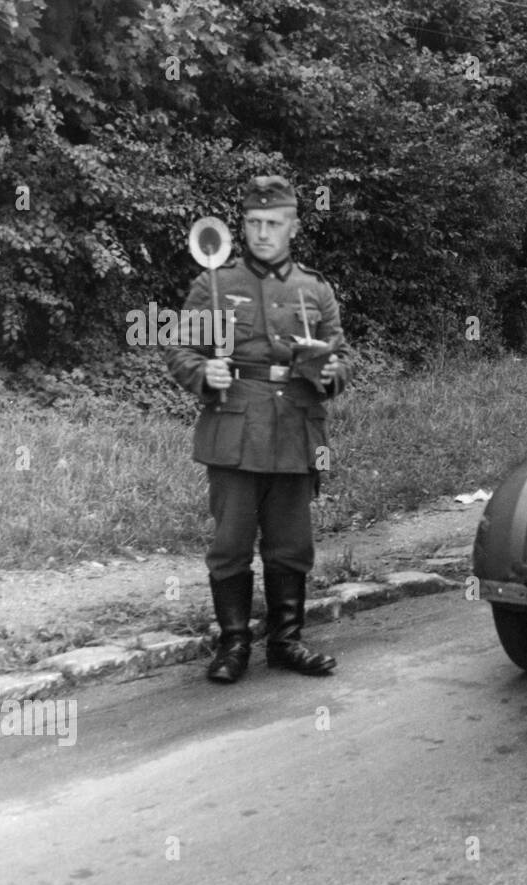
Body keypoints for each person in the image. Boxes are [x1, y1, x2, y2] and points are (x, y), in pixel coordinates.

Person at [165, 175, 352, 683]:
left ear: (293, 225)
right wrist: (205, 373)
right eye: (252, 223)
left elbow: (340, 353)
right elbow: (181, 350)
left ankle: (287, 641)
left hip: (296, 425)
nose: (262, 232)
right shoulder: (216, 283)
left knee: (291, 543)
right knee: (230, 542)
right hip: (235, 428)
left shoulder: (314, 288)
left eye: (273, 223)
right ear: (242, 227)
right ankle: (233, 644)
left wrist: (336, 372)